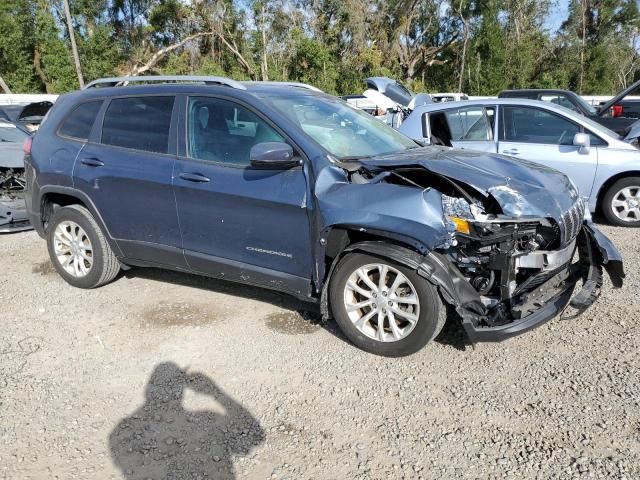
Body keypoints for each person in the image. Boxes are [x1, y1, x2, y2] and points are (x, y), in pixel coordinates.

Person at [109, 362, 265, 480]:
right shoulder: (208, 421)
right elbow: (256, 436)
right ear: (181, 390)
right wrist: (216, 393)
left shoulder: (121, 431)